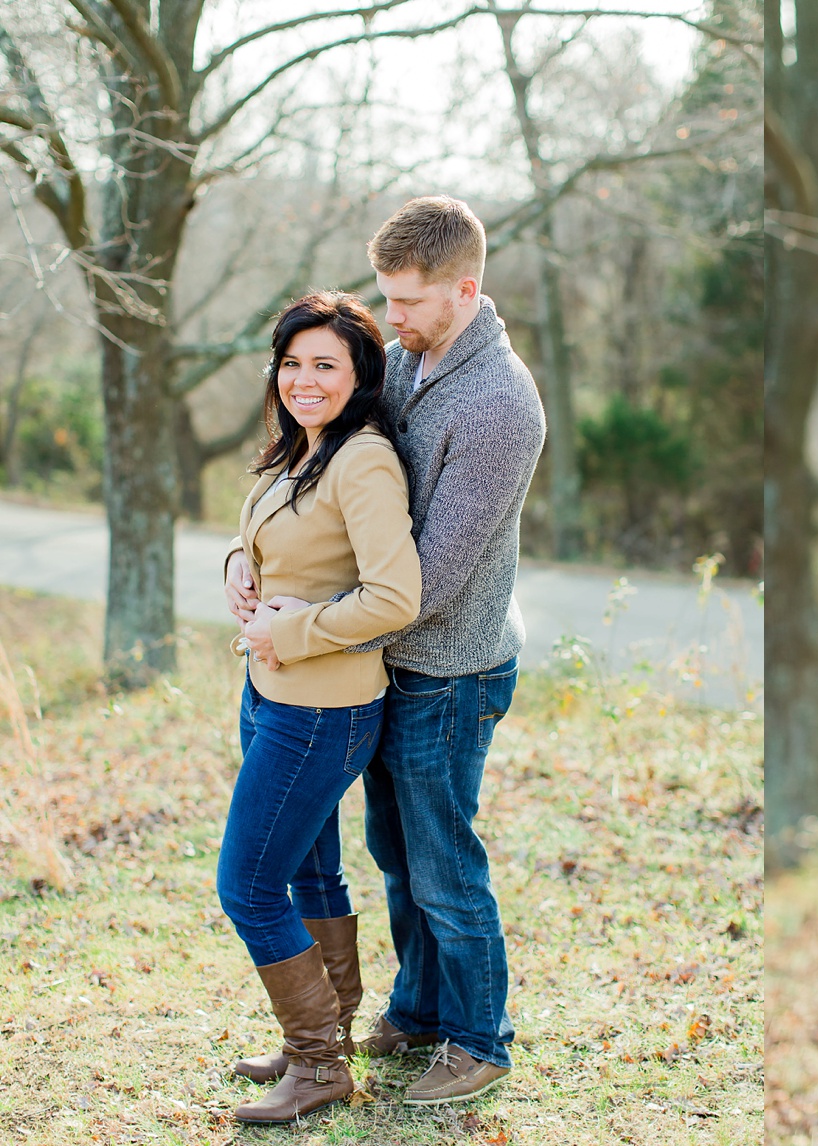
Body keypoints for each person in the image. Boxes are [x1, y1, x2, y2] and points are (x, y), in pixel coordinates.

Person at [228, 196, 545, 1105]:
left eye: (405, 302)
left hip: (451, 665)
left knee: (445, 862)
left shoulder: (496, 406)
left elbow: (428, 578)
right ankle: (415, 1009)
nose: (391, 320)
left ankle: (480, 1042)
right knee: (396, 853)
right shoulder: (410, 360)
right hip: (383, 662)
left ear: (464, 289)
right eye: (386, 299)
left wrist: (298, 625)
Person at [217, 291, 421, 1123]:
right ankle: (326, 1031)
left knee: (249, 888)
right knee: (308, 870)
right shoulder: (303, 449)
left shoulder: (362, 460)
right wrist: (237, 560)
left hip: (321, 712)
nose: (303, 379)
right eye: (292, 363)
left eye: (324, 365)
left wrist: (293, 630)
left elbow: (395, 597)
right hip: (270, 694)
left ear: (360, 373)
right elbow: (269, 534)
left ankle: (319, 1066)